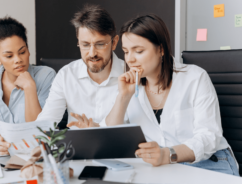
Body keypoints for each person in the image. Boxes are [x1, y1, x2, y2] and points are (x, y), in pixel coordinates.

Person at [69, 14, 239, 176]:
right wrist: (123, 97)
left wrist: (168, 154)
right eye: (126, 52)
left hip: (210, 163)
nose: (130, 60)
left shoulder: (195, 78)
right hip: (166, 168)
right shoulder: (130, 86)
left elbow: (209, 137)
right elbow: (112, 134)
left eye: (139, 51)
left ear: (161, 50)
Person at [0, 4, 124, 155]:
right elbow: (45, 124)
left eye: (100, 44)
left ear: (114, 43)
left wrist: (98, 131)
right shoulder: (66, 75)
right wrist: (12, 142)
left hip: (123, 157)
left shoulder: (131, 75)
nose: (92, 53)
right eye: (85, 45)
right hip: (76, 156)